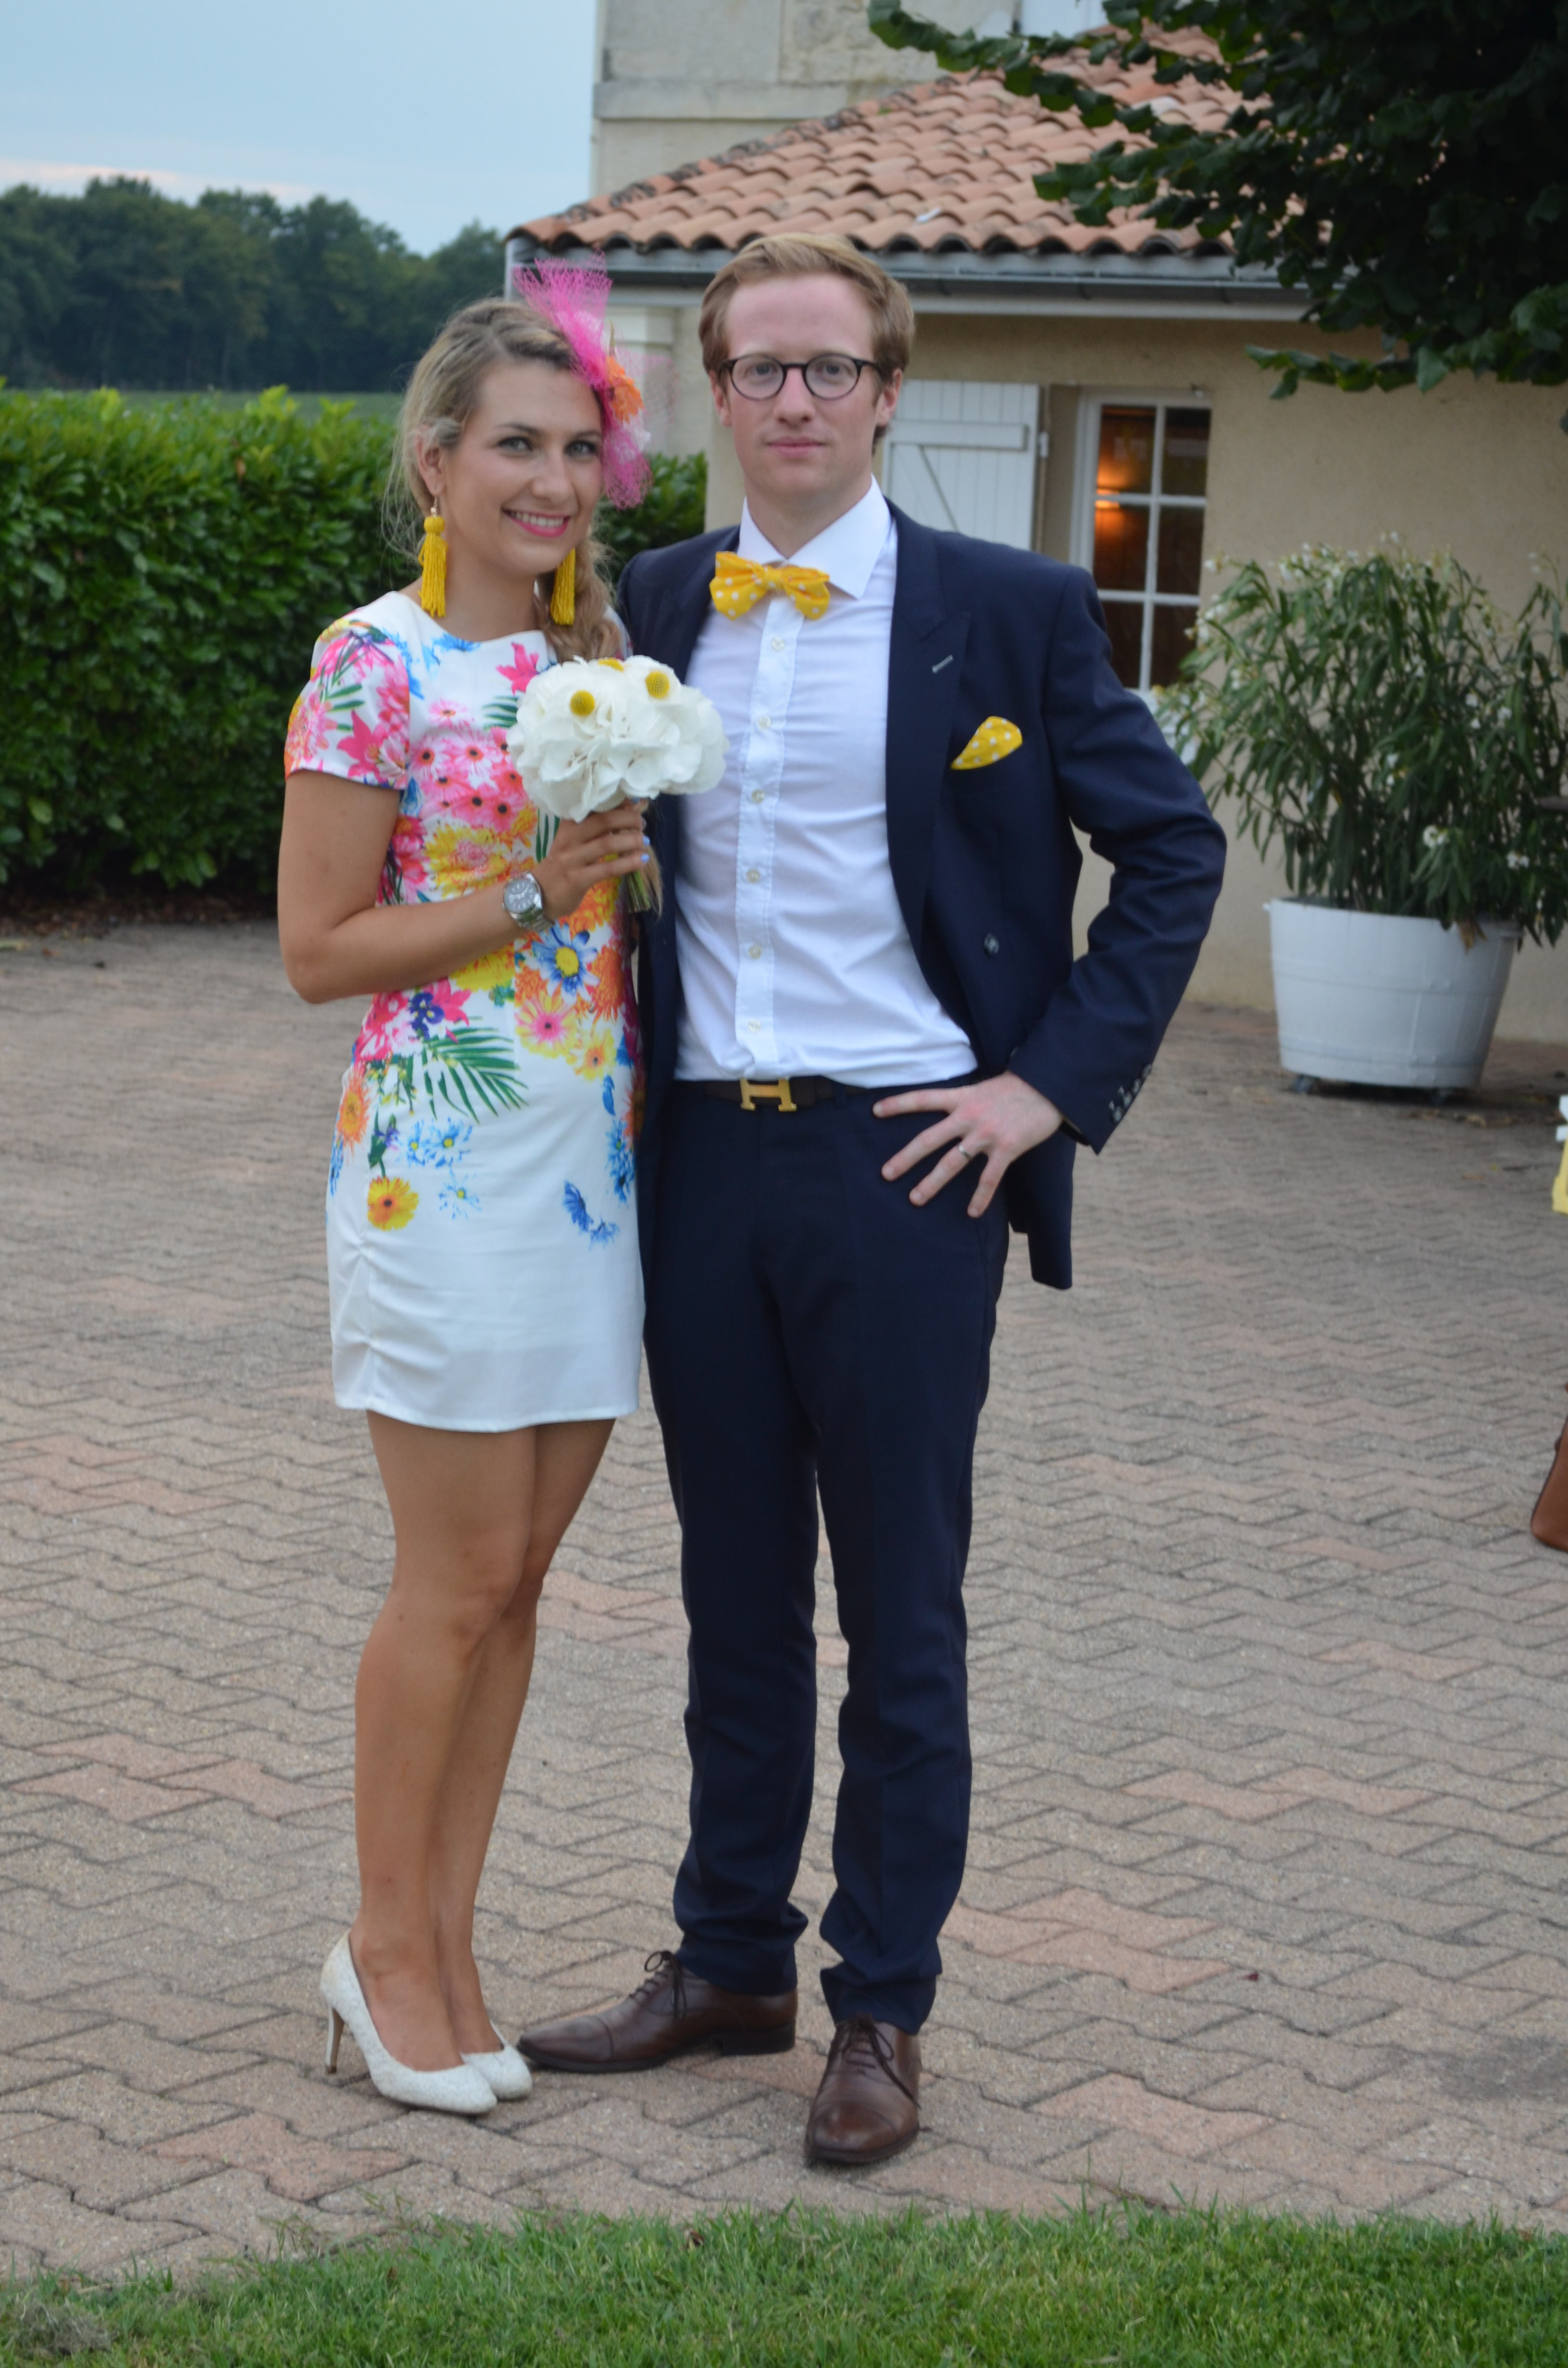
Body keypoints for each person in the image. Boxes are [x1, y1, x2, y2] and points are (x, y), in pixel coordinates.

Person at [515, 233, 1226, 2165]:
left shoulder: (1011, 612)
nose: (797, 399)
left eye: (833, 367)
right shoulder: (655, 602)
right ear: (720, 389)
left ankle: (881, 2005)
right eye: (761, 367)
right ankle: (728, 1955)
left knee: (899, 1603)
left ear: (890, 393)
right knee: (730, 1590)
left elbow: (1172, 853)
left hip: (906, 1161)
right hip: (701, 1159)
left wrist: (1043, 1089)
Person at [277, 278, 652, 2115]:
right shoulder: (375, 663)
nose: (553, 480)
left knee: (519, 1587)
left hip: (592, 1169)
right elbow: (316, 947)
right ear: (437, 463)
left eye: (579, 446)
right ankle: (381, 1952)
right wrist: (536, 890)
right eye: (516, 444)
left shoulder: (606, 652)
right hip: (442, 1162)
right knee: (452, 1583)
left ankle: (454, 1938)